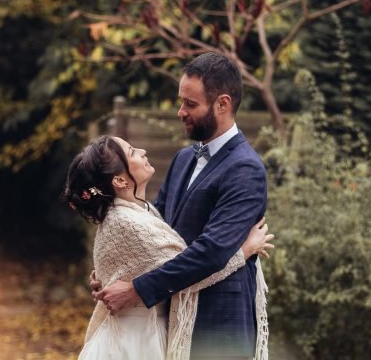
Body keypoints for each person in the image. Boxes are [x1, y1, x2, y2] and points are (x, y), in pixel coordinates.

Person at [93, 52, 270, 359]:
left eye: (191, 104)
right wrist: (111, 269)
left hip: (219, 320)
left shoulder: (246, 169)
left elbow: (210, 252)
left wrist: (136, 289)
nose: (180, 112)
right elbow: (153, 230)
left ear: (222, 104)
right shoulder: (183, 159)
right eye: (181, 101)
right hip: (173, 315)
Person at [64, 135, 274, 360]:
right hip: (135, 343)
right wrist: (245, 249)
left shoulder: (136, 211)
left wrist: (108, 274)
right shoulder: (128, 222)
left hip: (146, 332)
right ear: (120, 181)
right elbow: (188, 273)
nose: (143, 151)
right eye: (132, 152)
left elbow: (144, 255)